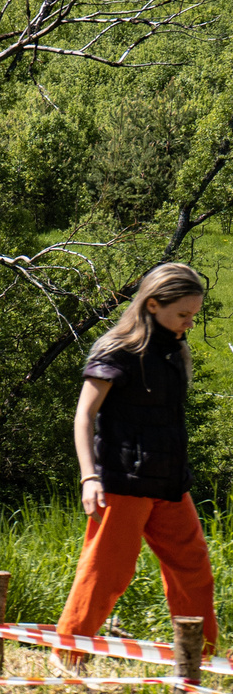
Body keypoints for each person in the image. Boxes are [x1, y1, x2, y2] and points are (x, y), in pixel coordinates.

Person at [55, 261, 217, 664]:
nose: (189, 324)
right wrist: (89, 476)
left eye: (193, 315)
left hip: (169, 484)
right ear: (152, 305)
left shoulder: (175, 351)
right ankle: (69, 656)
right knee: (105, 574)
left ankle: (201, 658)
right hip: (121, 484)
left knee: (194, 570)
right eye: (183, 314)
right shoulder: (118, 351)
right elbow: (83, 417)